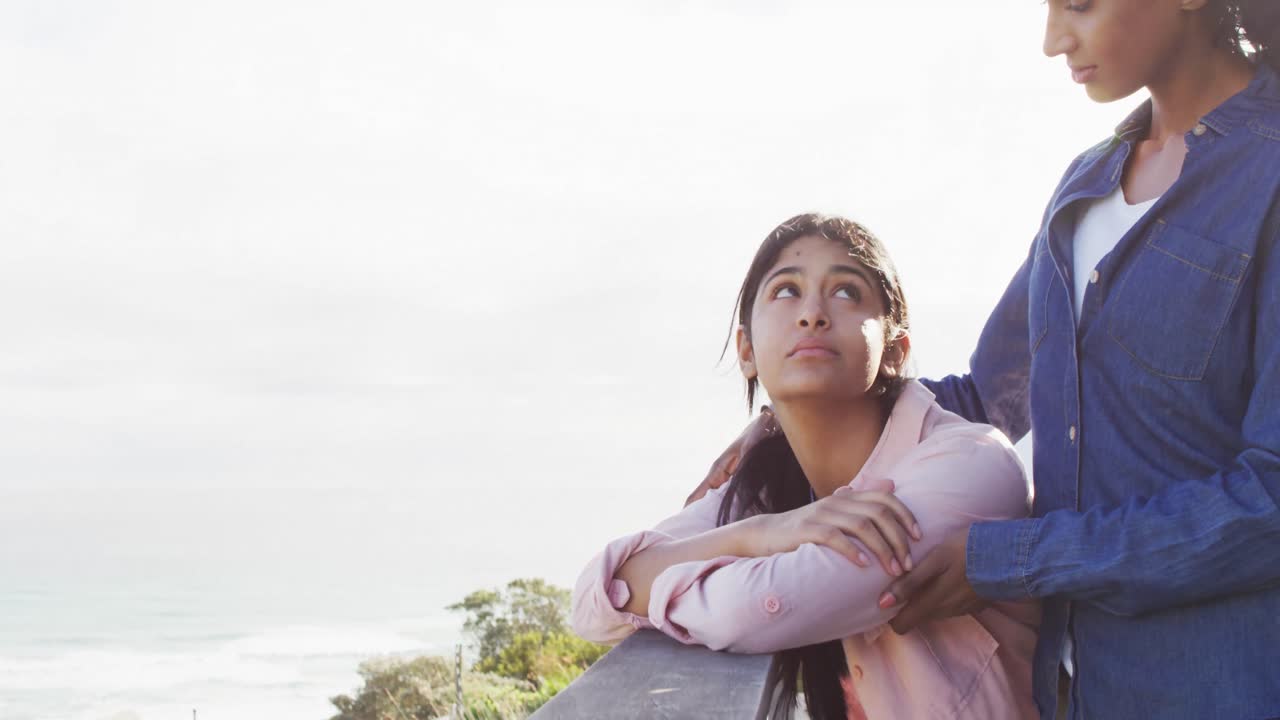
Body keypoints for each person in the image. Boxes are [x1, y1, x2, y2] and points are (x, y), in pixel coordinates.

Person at [690, 3, 1280, 719]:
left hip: (1225, 686)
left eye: (1080, 5)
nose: (1052, 39)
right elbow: (988, 396)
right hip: (1069, 689)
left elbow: (1269, 501)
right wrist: (791, 417)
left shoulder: (1268, 176)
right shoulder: (1085, 185)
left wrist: (1014, 559)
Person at [572, 214, 1039, 720]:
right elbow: (595, 602)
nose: (812, 313)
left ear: (895, 352)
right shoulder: (766, 485)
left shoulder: (972, 467)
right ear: (746, 349)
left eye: (845, 293)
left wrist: (671, 577)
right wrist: (758, 536)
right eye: (786, 291)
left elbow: (757, 608)